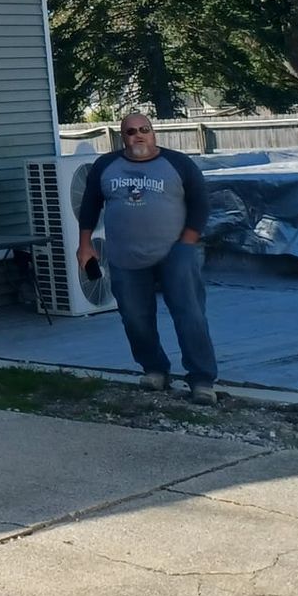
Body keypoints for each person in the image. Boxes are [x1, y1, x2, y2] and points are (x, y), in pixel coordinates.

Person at [75, 112, 218, 403]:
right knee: (135, 317)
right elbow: (89, 205)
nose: (138, 135)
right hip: (125, 255)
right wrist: (85, 244)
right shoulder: (106, 166)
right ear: (121, 137)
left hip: (175, 253)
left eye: (144, 129)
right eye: (130, 131)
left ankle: (202, 379)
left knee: (189, 315)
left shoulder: (177, 163)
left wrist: (186, 243)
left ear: (153, 133)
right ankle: (154, 369)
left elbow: (201, 203)